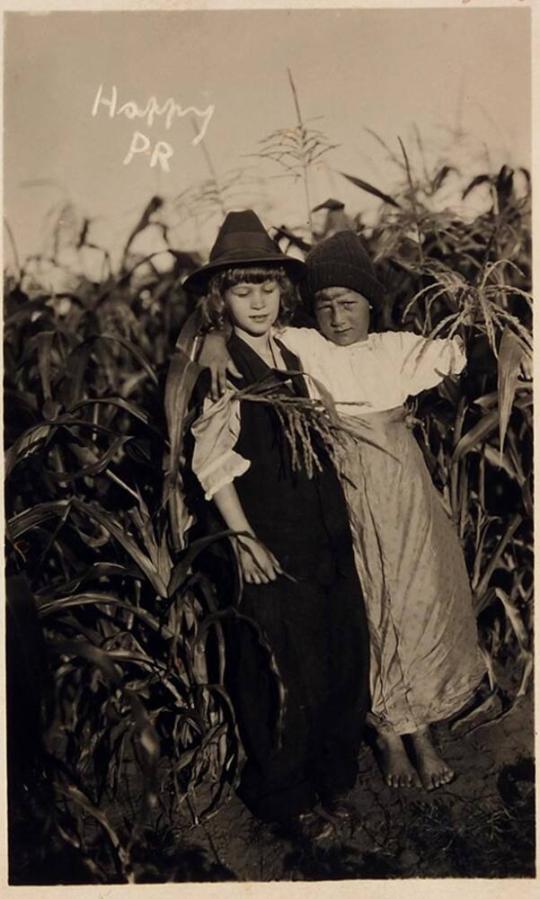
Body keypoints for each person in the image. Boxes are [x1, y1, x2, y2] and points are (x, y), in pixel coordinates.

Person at [201, 228, 486, 792]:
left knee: (415, 601)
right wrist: (210, 336)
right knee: (369, 609)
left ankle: (422, 730)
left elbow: (471, 352)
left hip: (405, 500)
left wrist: (494, 330)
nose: (337, 316)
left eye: (349, 303)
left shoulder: (401, 349)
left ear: (370, 305)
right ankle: (385, 734)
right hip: (345, 499)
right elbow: (234, 320)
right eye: (325, 304)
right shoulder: (304, 347)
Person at [183, 212, 370, 837]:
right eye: (242, 291)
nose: (258, 301)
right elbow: (211, 461)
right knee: (279, 669)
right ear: (220, 298)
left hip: (322, 528)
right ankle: (283, 797)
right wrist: (241, 537)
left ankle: (326, 779)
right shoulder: (220, 364)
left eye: (267, 288)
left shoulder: (291, 349)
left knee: (335, 652)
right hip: (268, 534)